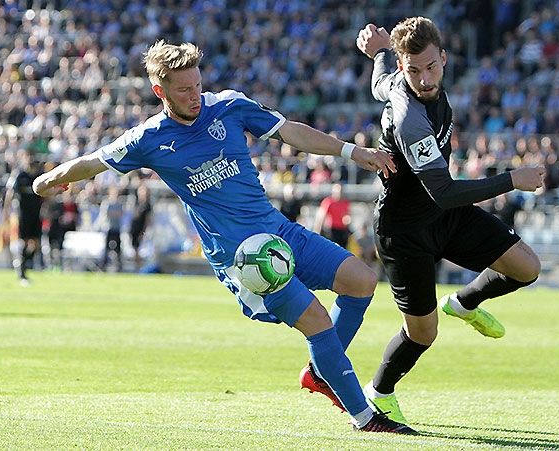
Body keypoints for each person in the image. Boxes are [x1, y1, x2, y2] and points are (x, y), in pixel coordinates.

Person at [32, 40, 415, 435]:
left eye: (197, 85)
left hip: (277, 232)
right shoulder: (148, 138)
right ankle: (364, 417)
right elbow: (95, 161)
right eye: (183, 90)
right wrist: (48, 180)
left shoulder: (229, 105)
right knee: (316, 320)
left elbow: (291, 133)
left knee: (362, 281)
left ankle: (322, 371)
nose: (195, 95)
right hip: (244, 258)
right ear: (160, 92)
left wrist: (352, 152)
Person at [355, 18, 544, 423]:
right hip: (405, 231)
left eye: (430, 67)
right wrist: (514, 179)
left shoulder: (399, 77)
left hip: (443, 216)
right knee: (424, 333)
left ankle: (464, 303)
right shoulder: (410, 118)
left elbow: (380, 81)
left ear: (443, 57)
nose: (424, 79)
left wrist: (381, 52)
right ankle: (379, 394)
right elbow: (443, 190)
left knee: (527, 267)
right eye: (415, 71)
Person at [3, 149, 43, 286]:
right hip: (23, 215)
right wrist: (6, 212)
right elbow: (10, 194)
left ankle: (20, 263)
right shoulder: (19, 175)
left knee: (36, 244)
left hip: (36, 214)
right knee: (23, 242)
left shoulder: (38, 176)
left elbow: (45, 194)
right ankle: (21, 271)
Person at [313, 183, 351, 248]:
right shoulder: (328, 202)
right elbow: (321, 217)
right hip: (331, 230)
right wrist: (317, 231)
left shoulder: (345, 202)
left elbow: (346, 216)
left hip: (342, 230)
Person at [129, 182, 152, 269]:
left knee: (139, 248)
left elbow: (147, 219)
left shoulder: (147, 205)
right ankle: (137, 265)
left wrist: (144, 231)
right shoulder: (137, 203)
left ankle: (139, 266)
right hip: (134, 228)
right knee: (135, 247)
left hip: (140, 229)